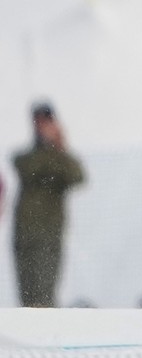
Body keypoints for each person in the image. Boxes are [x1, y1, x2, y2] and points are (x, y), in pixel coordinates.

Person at [12, 102, 86, 307]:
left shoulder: (60, 158)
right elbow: (25, 166)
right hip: (25, 234)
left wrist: (60, 147)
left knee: (44, 296)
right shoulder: (28, 157)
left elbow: (78, 176)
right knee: (27, 296)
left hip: (48, 235)